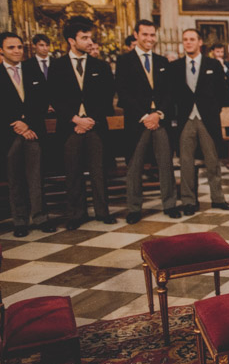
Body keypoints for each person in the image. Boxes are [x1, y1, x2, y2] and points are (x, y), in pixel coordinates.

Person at [48, 17, 116, 230]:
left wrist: (89, 120)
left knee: (99, 170)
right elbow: (54, 97)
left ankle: (102, 211)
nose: (89, 41)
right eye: (84, 38)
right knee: (73, 171)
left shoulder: (101, 66)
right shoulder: (57, 66)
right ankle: (77, 213)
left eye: (90, 37)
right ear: (71, 40)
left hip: (95, 125)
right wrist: (76, 119)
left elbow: (107, 97)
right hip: (71, 127)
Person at [115, 20, 180, 224]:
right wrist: (144, 117)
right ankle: (134, 207)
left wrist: (159, 114)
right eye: (145, 34)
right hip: (138, 122)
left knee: (166, 164)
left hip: (159, 120)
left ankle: (169, 204)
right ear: (136, 35)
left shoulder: (162, 62)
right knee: (135, 166)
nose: (149, 39)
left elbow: (170, 93)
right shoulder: (124, 61)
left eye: (152, 35)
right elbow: (123, 95)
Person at [171, 29, 229, 216]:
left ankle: (218, 198)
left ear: (200, 42)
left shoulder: (213, 64)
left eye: (192, 39)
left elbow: (223, 93)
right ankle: (189, 201)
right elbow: (171, 94)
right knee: (186, 162)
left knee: (212, 160)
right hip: (186, 120)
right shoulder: (176, 66)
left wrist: (212, 110)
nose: (188, 43)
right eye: (185, 40)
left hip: (207, 119)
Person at [1, 32, 54, 236]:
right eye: (11, 47)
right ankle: (20, 220)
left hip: (33, 132)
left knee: (36, 176)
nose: (16, 51)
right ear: (1, 51)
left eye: (20, 47)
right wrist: (15, 124)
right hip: (9, 134)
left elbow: (42, 100)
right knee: (15, 179)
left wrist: (28, 123)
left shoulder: (33, 70)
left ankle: (41, 217)